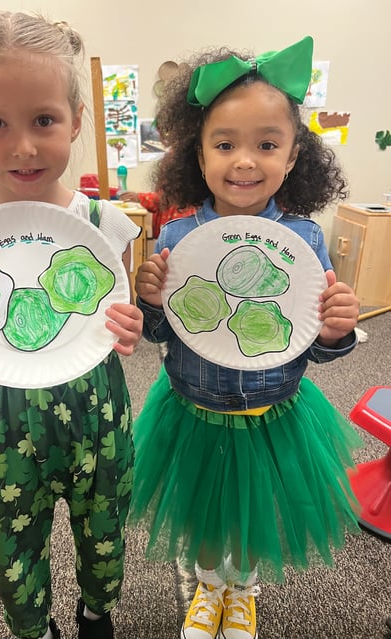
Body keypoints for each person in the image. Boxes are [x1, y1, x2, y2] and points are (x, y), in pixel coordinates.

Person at [0, 10, 143, 639]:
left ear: (75, 118)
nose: (22, 146)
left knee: (105, 526)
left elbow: (114, 311)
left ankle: (97, 612)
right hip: (7, 418)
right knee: (14, 543)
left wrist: (129, 325)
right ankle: (33, 628)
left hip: (95, 408)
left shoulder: (105, 225)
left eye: (43, 120)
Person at [128, 36, 362, 639]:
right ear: (198, 156)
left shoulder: (305, 241)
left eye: (267, 144)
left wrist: (337, 330)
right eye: (224, 144)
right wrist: (151, 300)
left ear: (293, 157)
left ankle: (244, 590)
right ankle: (209, 589)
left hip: (272, 410)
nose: (245, 161)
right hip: (194, 411)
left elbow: (313, 343)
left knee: (252, 515)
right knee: (206, 514)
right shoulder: (179, 237)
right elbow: (163, 332)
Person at [119, 190, 195, 238]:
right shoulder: (166, 195)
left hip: (178, 236)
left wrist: (139, 197)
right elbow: (157, 199)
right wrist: (139, 197)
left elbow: (157, 199)